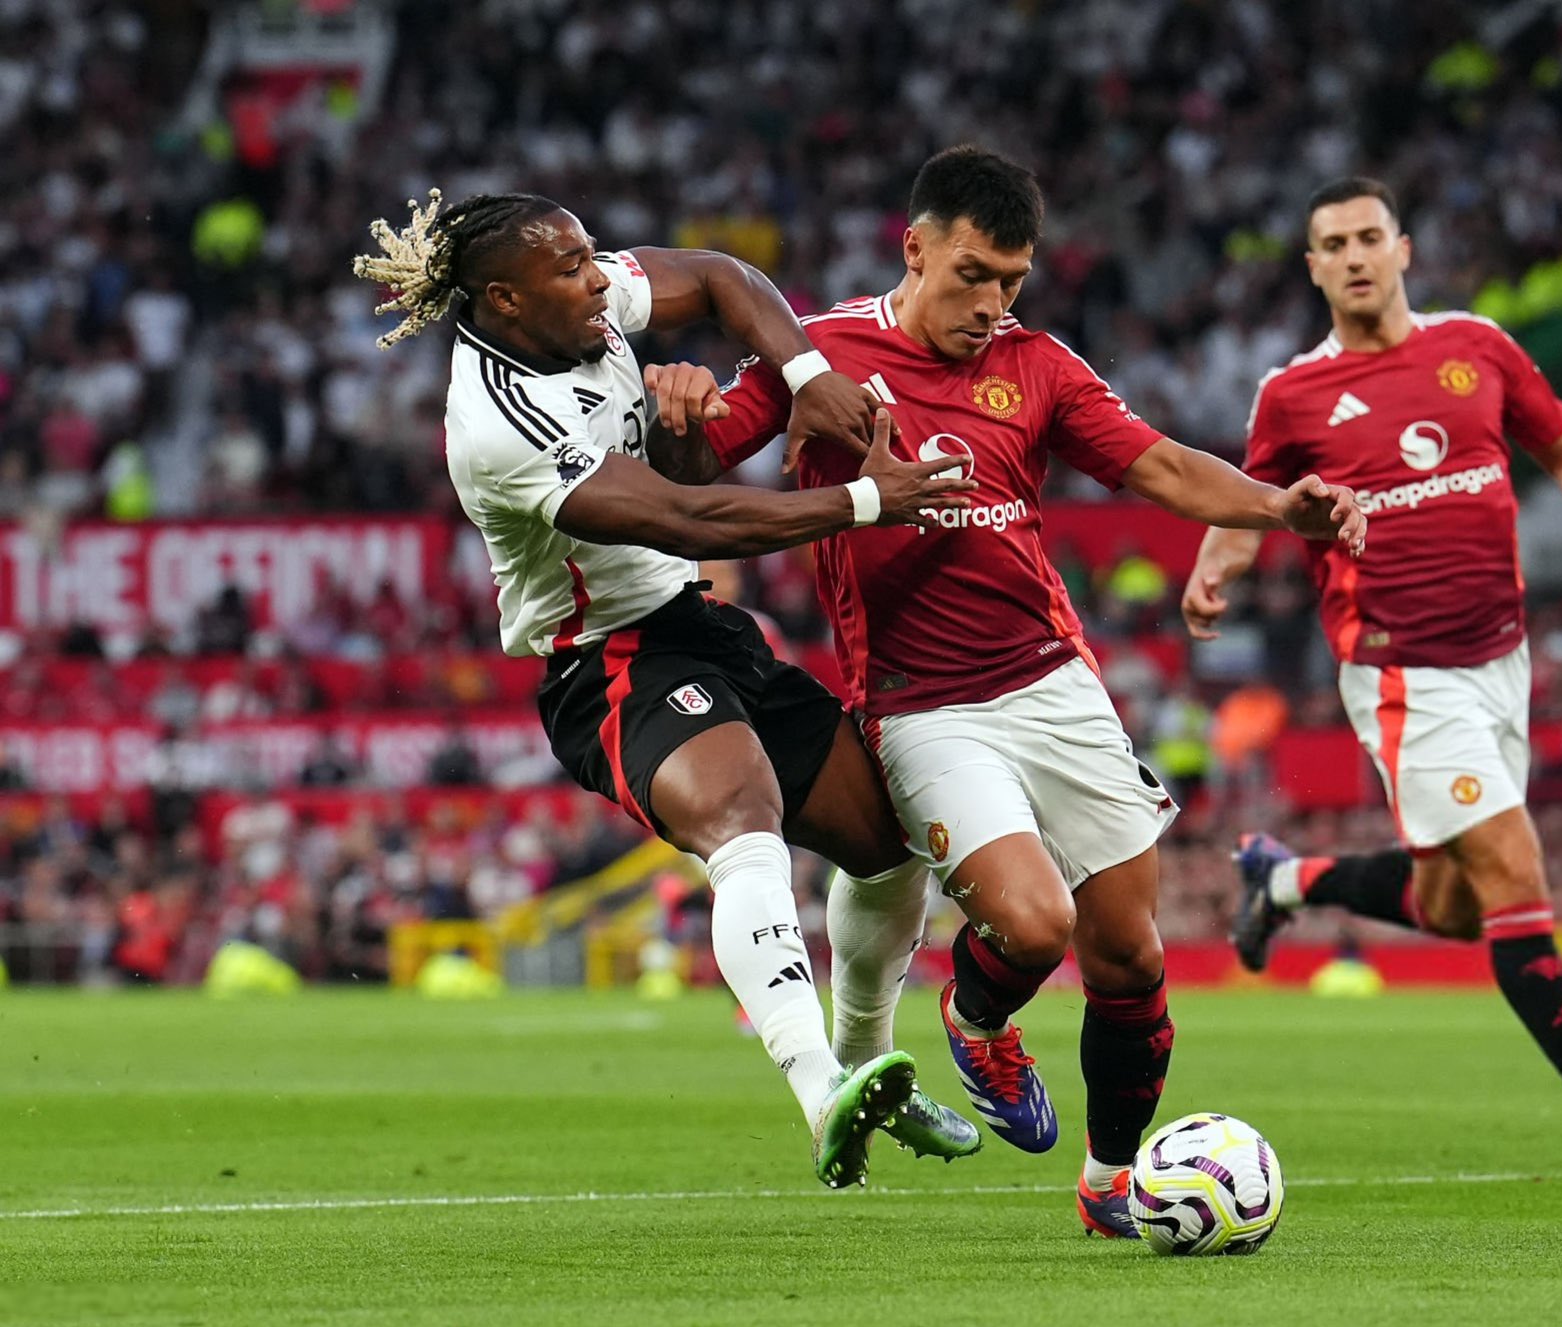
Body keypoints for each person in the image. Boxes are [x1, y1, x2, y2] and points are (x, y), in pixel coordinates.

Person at [674, 146, 1364, 1234]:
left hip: (1054, 682)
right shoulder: (819, 358)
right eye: (972, 274)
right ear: (915, 250)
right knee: (1034, 926)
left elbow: (1161, 465)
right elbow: (696, 457)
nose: (991, 303)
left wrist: (1280, 509)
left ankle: (1107, 1186)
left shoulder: (1036, 364)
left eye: (1011, 280)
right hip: (921, 705)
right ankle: (975, 1011)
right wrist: (670, 398)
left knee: (1131, 954)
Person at [350, 189, 982, 1188]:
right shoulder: (498, 424)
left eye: (591, 252)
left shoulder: (586, 303)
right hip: (607, 659)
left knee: (884, 845)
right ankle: (819, 1089)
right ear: (503, 300)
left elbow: (726, 278)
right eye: (569, 269)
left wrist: (806, 376)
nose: (599, 275)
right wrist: (864, 499)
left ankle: (865, 1068)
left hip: (698, 625)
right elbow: (680, 519)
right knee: (743, 817)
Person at [1182, 177, 1562, 1174]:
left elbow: (1560, 446)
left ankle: (1286, 878)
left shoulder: (1475, 346)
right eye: (1330, 242)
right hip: (1401, 674)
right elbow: (1253, 502)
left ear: (1402, 250)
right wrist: (1214, 567)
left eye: (1366, 237)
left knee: (1461, 904)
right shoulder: (1292, 391)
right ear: (1311, 267)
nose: (1350, 254)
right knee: (1514, 873)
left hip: (1497, 664)